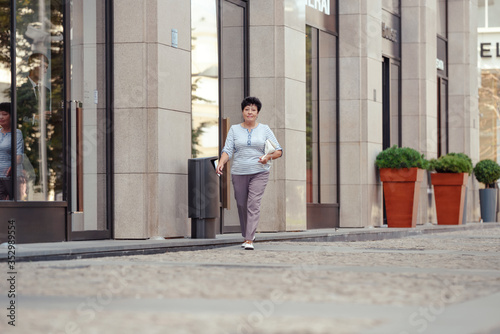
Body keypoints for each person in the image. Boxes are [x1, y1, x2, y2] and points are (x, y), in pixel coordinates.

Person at [216, 97, 283, 250]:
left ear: (258, 113)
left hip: (260, 171)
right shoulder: (234, 129)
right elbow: (228, 150)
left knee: (253, 204)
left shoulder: (264, 129)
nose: (250, 112)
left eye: (253, 110)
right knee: (241, 204)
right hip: (239, 172)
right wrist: (221, 162)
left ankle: (248, 239)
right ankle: (248, 232)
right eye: (247, 109)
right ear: (242, 111)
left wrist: (267, 157)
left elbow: (279, 151)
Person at [0, 102, 24, 200]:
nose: (1, 117)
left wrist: (12, 167)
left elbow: (19, 156)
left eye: (5, 114)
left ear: (12, 116)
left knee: (12, 207)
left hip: (10, 178)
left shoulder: (16, 133)